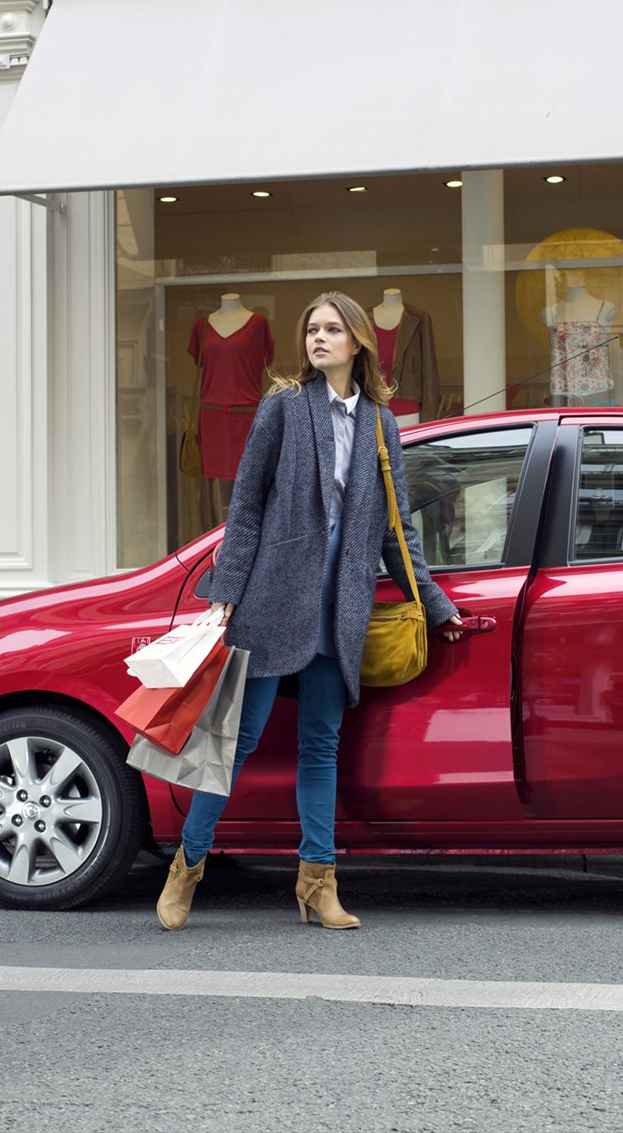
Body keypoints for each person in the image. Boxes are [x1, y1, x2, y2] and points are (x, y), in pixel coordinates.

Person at [155, 290, 464, 931]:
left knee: (320, 747)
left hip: (340, 605)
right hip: (271, 601)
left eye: (331, 330)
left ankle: (317, 884)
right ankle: (186, 869)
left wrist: (432, 603)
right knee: (234, 747)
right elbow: (244, 508)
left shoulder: (381, 421)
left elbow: (397, 527)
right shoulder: (284, 407)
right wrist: (224, 596)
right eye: (311, 330)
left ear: (358, 341)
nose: (318, 339)